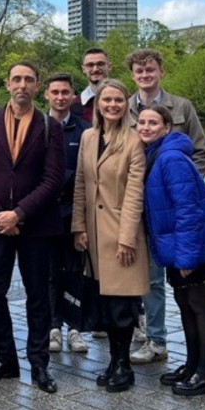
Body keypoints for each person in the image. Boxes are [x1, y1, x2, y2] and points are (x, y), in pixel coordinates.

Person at [0, 61, 64, 394]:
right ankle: (6, 359)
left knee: (38, 295)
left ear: (38, 86)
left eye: (29, 80)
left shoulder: (50, 127)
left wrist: (19, 213)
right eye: (17, 79)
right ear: (7, 84)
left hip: (35, 226)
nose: (22, 85)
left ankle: (38, 363)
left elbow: (53, 180)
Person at [137, 105, 205, 397]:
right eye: (141, 122)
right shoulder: (156, 154)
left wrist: (187, 257)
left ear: (167, 127)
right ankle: (192, 365)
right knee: (186, 306)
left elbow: (188, 209)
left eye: (153, 123)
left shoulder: (170, 158)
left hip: (194, 249)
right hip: (179, 248)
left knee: (200, 307)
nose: (146, 127)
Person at [126, 48, 205, 365]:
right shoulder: (125, 109)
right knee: (151, 281)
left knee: (189, 283)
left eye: (150, 70)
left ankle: (201, 352)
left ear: (160, 70)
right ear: (132, 75)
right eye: (139, 71)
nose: (145, 75)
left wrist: (181, 190)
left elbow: (201, 153)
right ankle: (157, 341)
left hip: (177, 212)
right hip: (144, 212)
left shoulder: (183, 107)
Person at [72, 78, 148, 393]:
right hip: (93, 232)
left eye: (118, 100)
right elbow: (80, 183)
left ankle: (123, 365)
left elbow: (134, 193)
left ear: (125, 104)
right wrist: (78, 225)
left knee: (123, 304)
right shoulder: (89, 137)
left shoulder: (133, 141)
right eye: (107, 100)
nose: (112, 105)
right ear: (98, 104)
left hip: (122, 233)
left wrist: (127, 237)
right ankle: (113, 360)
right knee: (104, 303)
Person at [44, 72, 91, 355]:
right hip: (45, 216)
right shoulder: (37, 126)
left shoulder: (85, 130)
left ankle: (75, 328)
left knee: (75, 272)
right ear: (46, 95)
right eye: (55, 92)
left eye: (65, 92)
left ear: (73, 95)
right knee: (49, 273)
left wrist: (82, 222)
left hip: (75, 215)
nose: (60, 97)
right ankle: (53, 327)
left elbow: (88, 178)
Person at [77, 48, 111, 125]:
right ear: (83, 69)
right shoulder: (74, 105)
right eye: (90, 65)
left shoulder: (125, 100)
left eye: (100, 64)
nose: (95, 69)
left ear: (109, 66)